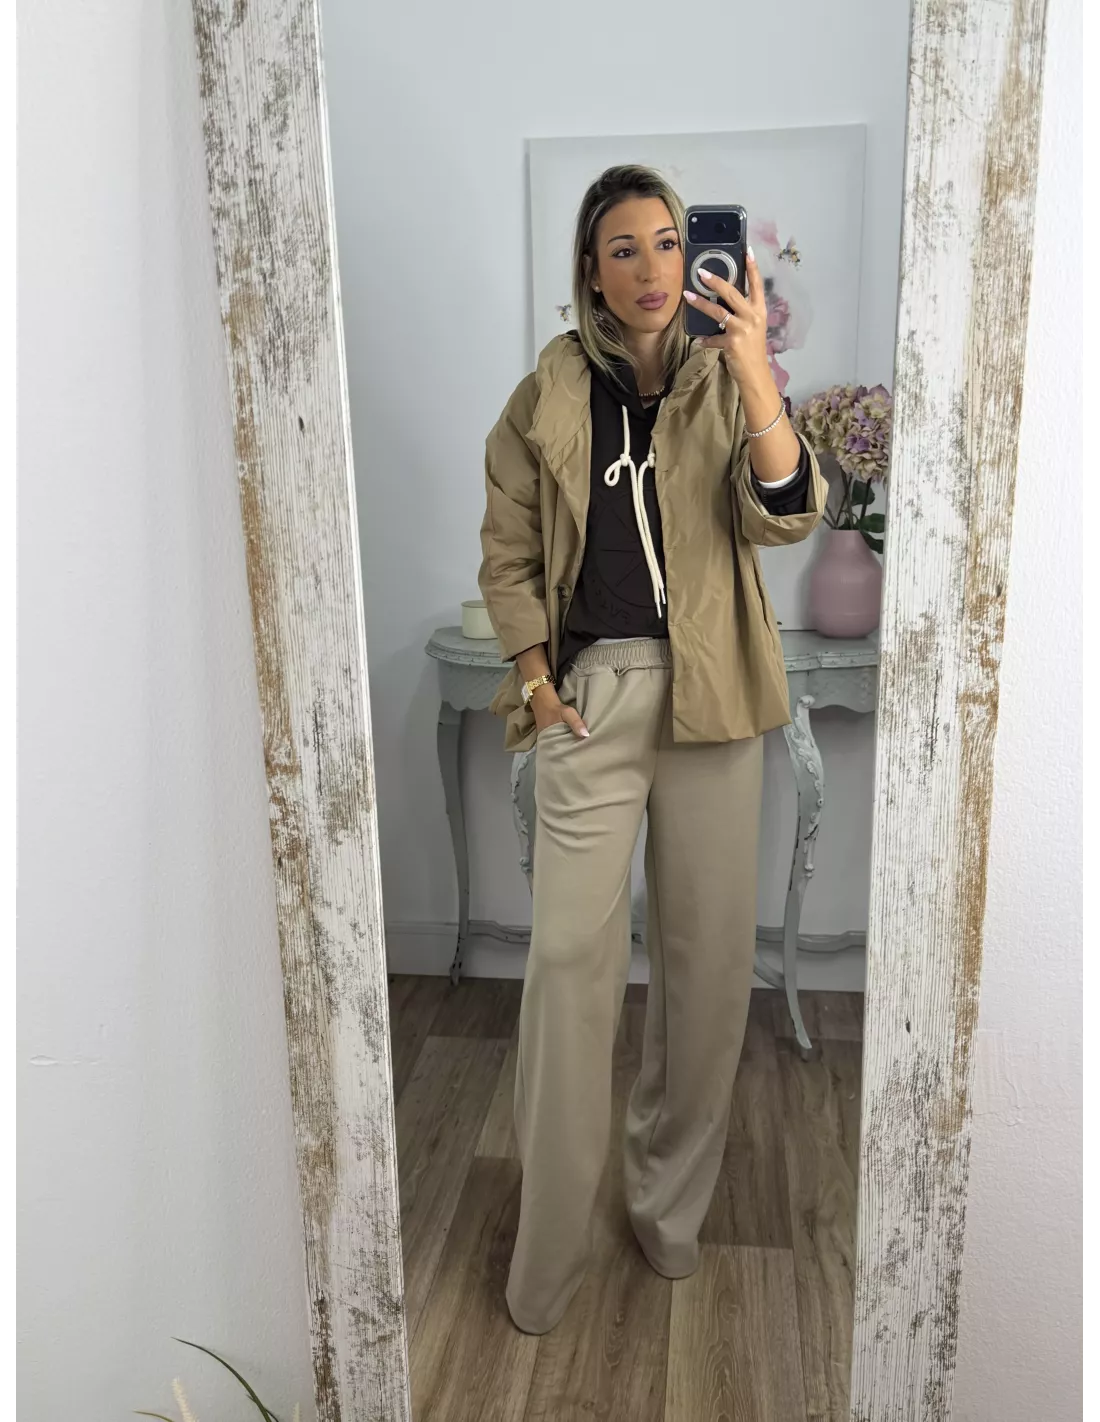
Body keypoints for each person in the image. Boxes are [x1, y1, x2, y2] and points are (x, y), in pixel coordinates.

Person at [478, 164, 827, 1336]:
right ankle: (547, 1249)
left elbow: (785, 511)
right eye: (620, 248)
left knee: (706, 973)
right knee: (565, 970)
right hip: (593, 693)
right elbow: (507, 553)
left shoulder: (726, 380)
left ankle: (667, 1211)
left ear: (694, 256)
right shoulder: (544, 394)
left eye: (668, 243)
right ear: (589, 268)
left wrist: (754, 370)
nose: (648, 269)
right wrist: (537, 683)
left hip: (714, 693)